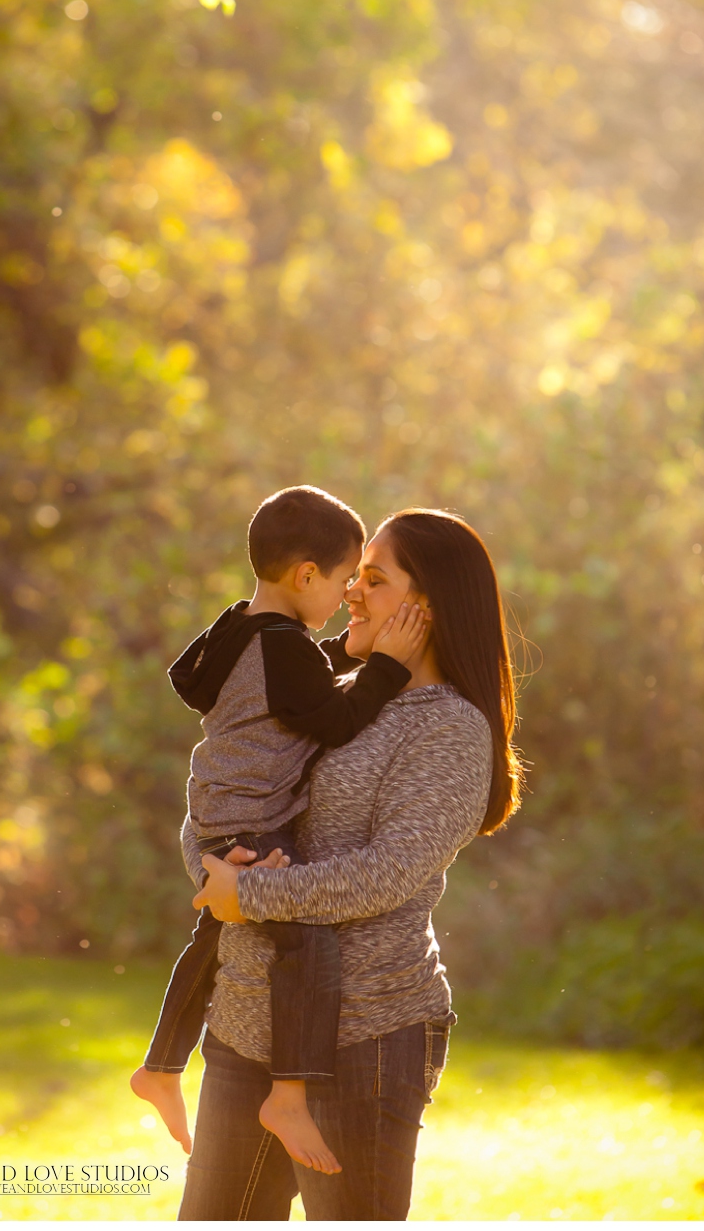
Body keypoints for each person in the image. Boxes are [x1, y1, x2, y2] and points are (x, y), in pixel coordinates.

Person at [178, 507, 523, 1221]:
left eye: (372, 578)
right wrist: (211, 868)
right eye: (351, 576)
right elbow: (223, 786)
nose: (350, 594)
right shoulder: (327, 697)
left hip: (363, 1036)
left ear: (422, 608)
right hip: (246, 1023)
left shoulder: (449, 728)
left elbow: (385, 873)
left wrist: (253, 892)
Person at [130, 485, 428, 1173]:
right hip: (252, 820)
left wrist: (339, 657)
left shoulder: (240, 627)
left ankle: (161, 1065)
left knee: (213, 933)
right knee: (309, 944)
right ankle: (288, 1092)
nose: (347, 594)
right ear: (304, 575)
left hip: (212, 809)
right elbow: (336, 720)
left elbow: (192, 679)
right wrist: (386, 664)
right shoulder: (284, 650)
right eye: (343, 579)